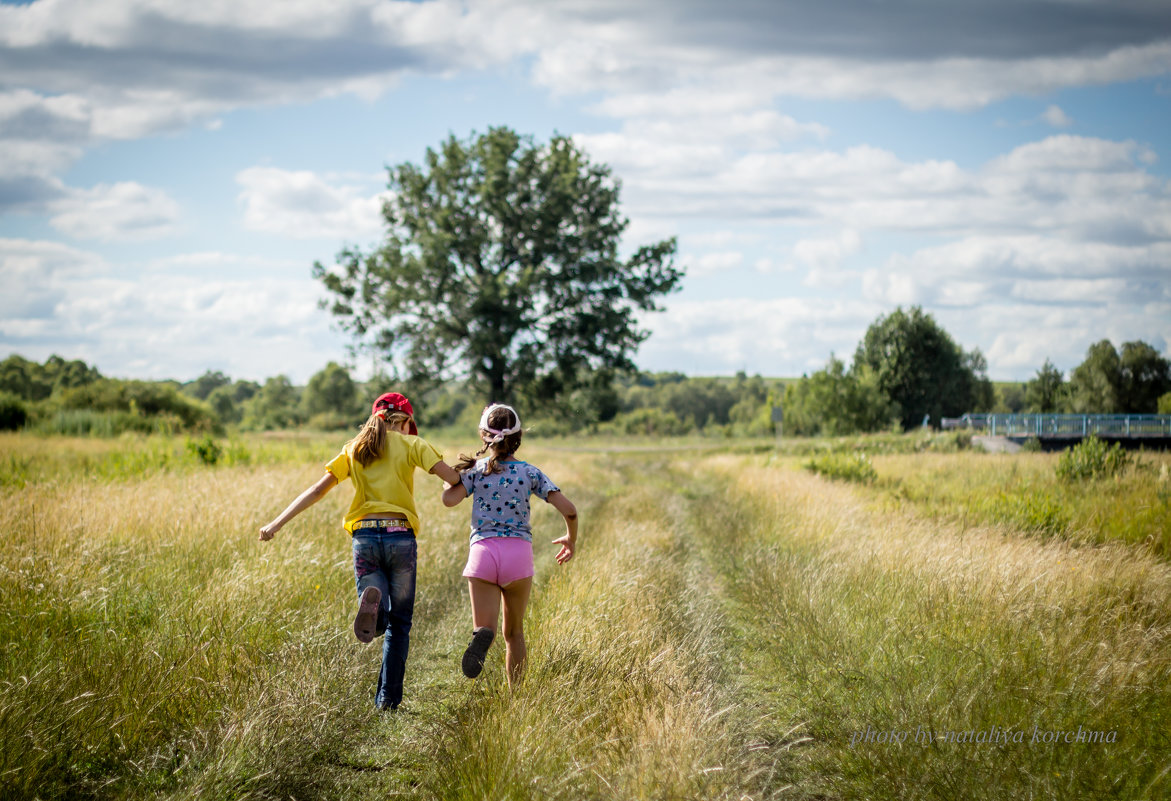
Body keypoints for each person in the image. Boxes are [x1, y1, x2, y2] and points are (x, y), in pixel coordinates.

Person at [258, 392, 461, 711]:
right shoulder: (413, 446)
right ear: (406, 421)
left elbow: (316, 490)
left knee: (380, 605)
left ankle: (374, 608)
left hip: (364, 536)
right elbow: (453, 479)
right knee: (401, 623)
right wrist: (465, 477)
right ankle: (387, 701)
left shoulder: (355, 447)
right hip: (400, 535)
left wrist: (275, 523)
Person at [442, 403, 577, 686]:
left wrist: (450, 481)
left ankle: (482, 636)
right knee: (514, 634)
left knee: (486, 628)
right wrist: (570, 538)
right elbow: (570, 510)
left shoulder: (478, 471)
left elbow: (449, 500)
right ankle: (516, 699)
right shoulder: (530, 473)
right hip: (518, 556)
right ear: (518, 438)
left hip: (483, 553)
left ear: (484, 437)